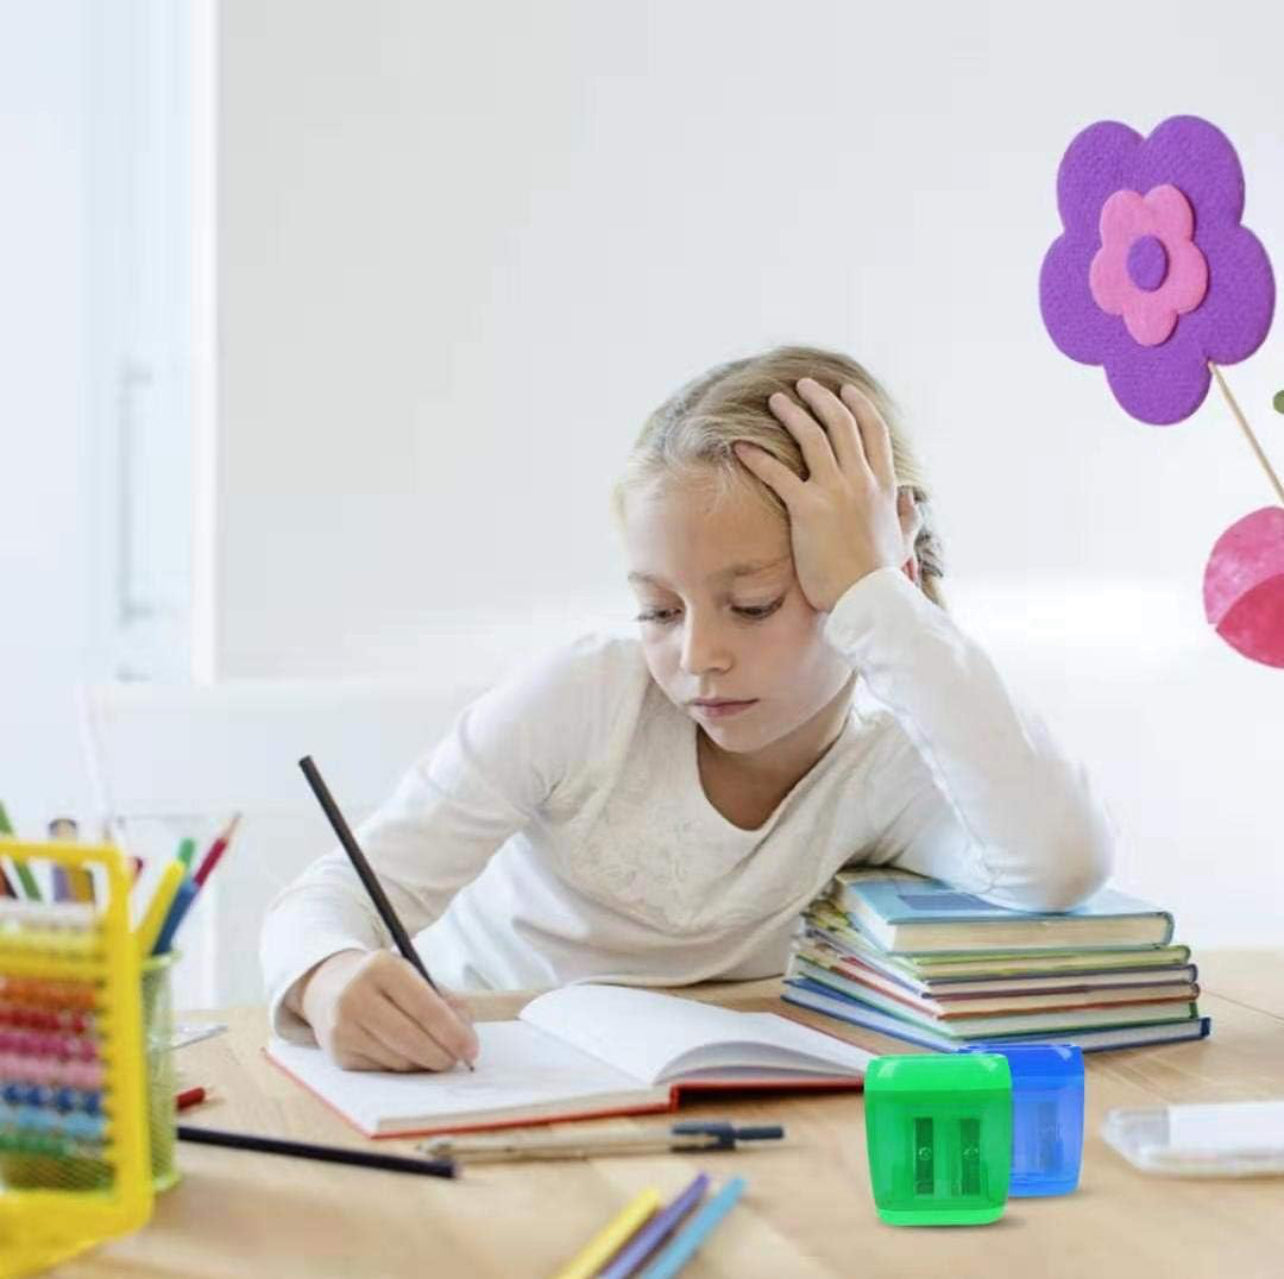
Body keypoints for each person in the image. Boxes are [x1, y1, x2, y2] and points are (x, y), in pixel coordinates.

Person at [260, 344, 1114, 1072]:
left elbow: (1059, 860)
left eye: (752, 604)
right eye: (658, 611)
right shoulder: (586, 698)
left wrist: (881, 597)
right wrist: (327, 973)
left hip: (718, 1106)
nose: (699, 654)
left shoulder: (894, 753)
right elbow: (332, 893)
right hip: (482, 1068)